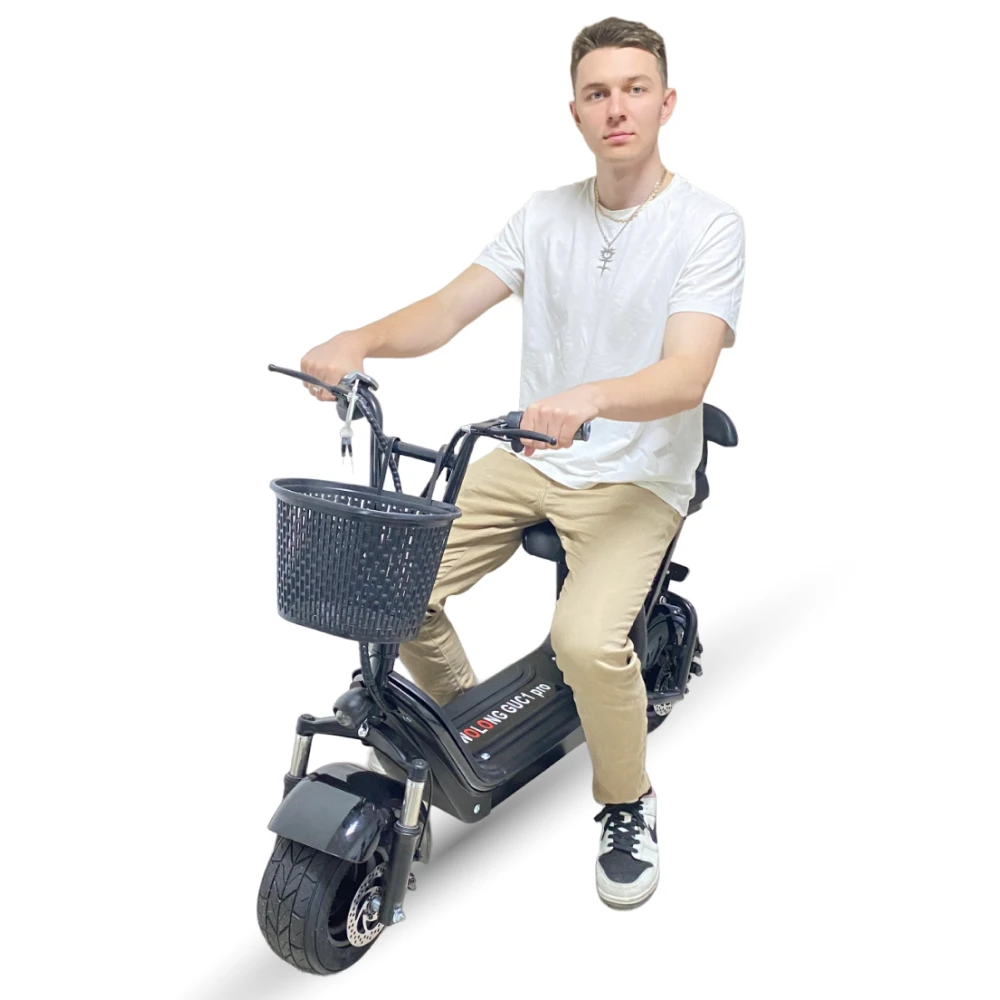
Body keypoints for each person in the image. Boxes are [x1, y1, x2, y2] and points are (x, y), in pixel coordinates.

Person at [299, 16, 746, 909]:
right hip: (532, 459)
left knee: (586, 642)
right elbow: (446, 310)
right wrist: (359, 339)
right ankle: (471, 730)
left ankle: (628, 801)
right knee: (392, 590)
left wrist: (589, 399)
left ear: (666, 103)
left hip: (637, 473)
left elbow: (687, 373)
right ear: (574, 111)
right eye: (597, 93)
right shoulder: (543, 215)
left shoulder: (708, 225)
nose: (616, 108)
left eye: (634, 89)